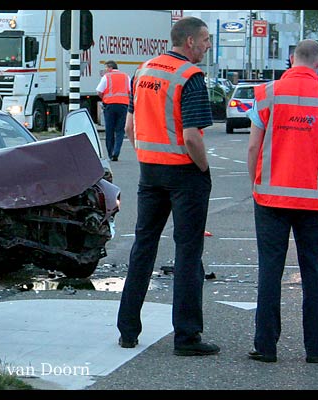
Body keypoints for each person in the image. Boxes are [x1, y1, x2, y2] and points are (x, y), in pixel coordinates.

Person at [117, 16, 220, 356]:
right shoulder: (190, 77)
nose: (207, 45)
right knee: (188, 253)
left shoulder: (143, 71)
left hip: (151, 172)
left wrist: (148, 155)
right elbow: (191, 136)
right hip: (184, 173)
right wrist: (203, 168)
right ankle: (187, 337)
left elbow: (131, 128)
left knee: (143, 248)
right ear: (189, 41)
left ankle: (128, 330)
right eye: (205, 39)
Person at [246, 39, 318, 364]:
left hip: (271, 196)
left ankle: (265, 347)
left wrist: (257, 183)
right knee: (315, 271)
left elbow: (253, 147)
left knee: (270, 271)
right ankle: (317, 348)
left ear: (291, 60)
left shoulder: (268, 93)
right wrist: (315, 150)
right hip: (315, 201)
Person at [96, 60, 130, 161]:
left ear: (110, 68)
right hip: (123, 105)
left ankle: (111, 153)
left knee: (109, 130)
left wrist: (104, 99)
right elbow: (130, 91)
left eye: (106, 68)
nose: (105, 70)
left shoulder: (107, 77)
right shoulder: (126, 76)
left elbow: (99, 91)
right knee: (120, 130)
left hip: (109, 106)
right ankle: (116, 152)